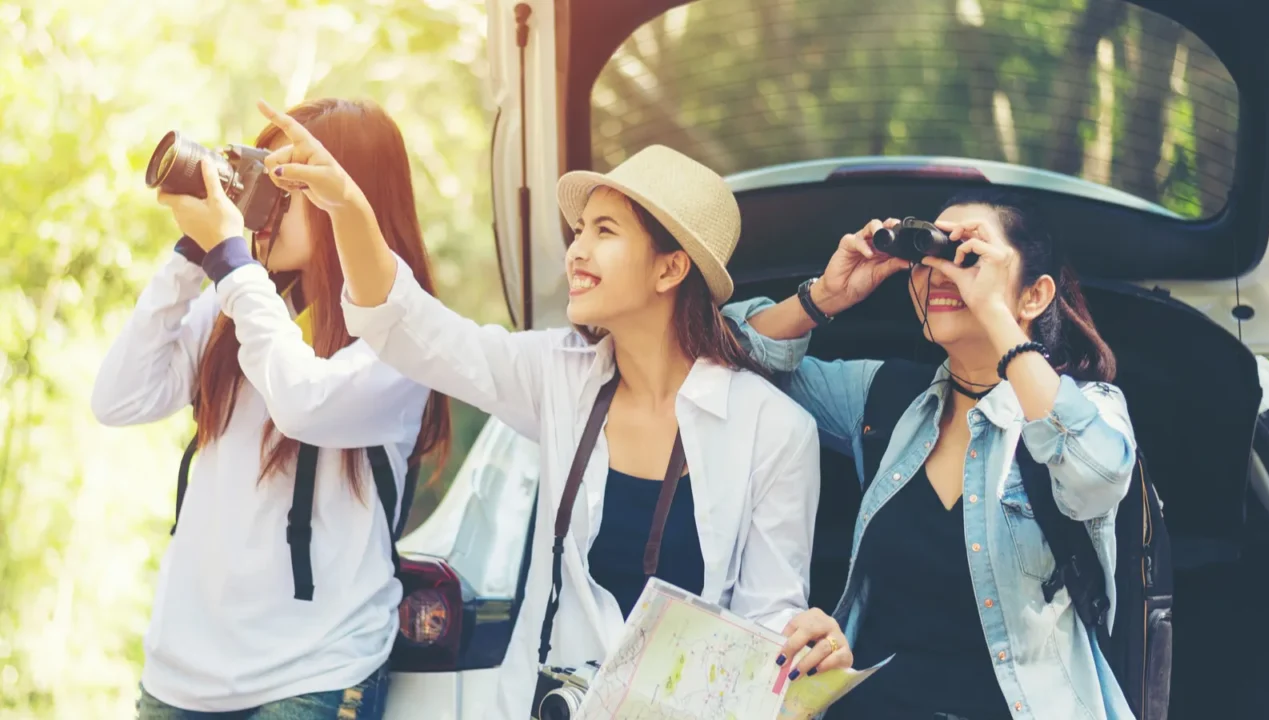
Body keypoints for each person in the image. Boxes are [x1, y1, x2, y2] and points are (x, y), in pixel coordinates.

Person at [253, 118, 843, 715]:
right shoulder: (555, 375)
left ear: (670, 269)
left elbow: (770, 621)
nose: (576, 250)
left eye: (604, 231)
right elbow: (412, 326)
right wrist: (346, 206)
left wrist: (810, 645)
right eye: (579, 230)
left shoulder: (776, 431)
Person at [91, 98, 450, 719]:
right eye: (264, 178)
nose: (268, 201)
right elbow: (119, 399)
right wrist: (192, 255)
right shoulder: (242, 304)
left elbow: (303, 402)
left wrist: (232, 263)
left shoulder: (402, 330)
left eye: (289, 183)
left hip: (313, 672)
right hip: (182, 673)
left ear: (351, 197)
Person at [726, 189, 1137, 720]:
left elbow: (1097, 474)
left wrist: (995, 314)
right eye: (928, 256)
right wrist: (825, 296)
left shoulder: (1091, 408)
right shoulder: (885, 396)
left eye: (968, 257)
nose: (942, 273)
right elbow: (726, 361)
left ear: (1034, 295)